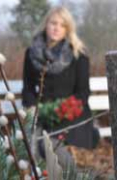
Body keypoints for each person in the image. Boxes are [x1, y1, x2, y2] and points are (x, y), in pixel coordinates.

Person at [22, 6, 99, 150]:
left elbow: (83, 93)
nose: (57, 28)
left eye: (62, 25)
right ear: (46, 24)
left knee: (53, 148)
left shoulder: (78, 54)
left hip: (72, 115)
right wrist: (34, 109)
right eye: (53, 23)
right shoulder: (31, 53)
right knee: (32, 146)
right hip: (41, 114)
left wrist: (62, 110)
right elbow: (28, 87)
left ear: (67, 29)